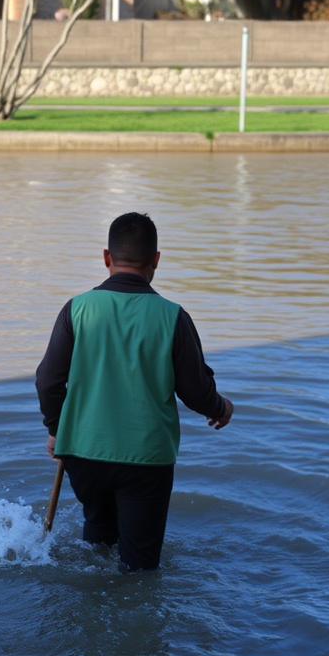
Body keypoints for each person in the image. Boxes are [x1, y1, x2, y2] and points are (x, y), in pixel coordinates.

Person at [35, 212, 233, 571]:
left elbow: (48, 381)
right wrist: (221, 407)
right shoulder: (173, 317)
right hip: (147, 460)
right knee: (139, 568)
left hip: (83, 452)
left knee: (96, 541)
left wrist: (56, 429)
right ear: (156, 260)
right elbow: (196, 392)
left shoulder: (76, 309)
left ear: (107, 257)